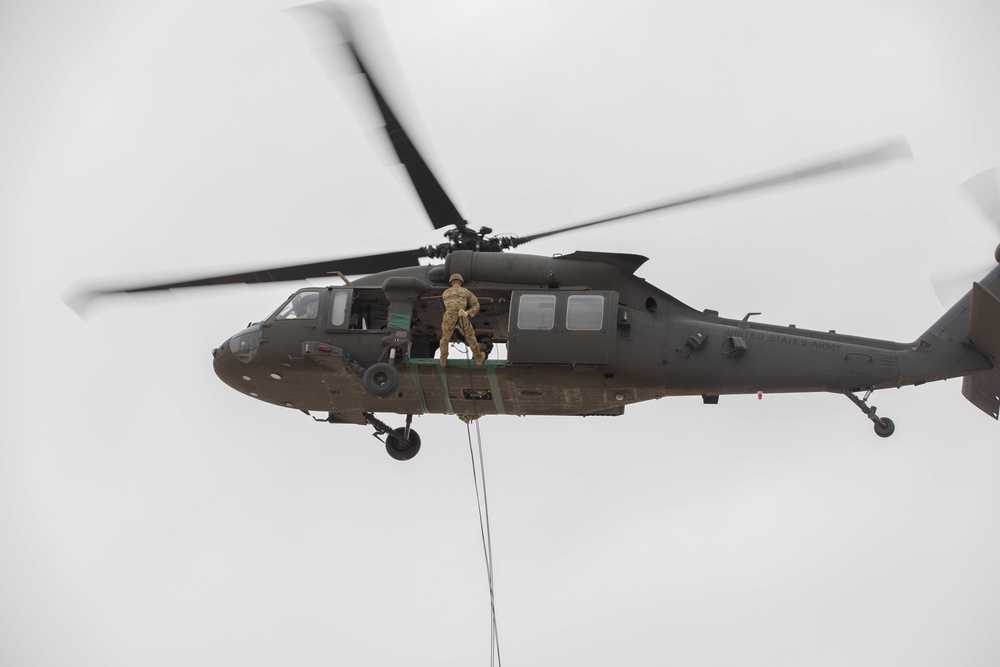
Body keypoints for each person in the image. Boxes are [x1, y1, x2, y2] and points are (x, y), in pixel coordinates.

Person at [439, 273, 485, 366]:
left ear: (451, 282)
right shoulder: (465, 291)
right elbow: (476, 305)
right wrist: (467, 313)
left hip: (448, 316)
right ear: (461, 282)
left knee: (445, 338)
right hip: (462, 316)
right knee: (470, 337)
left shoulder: (445, 293)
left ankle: (443, 358)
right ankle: (478, 357)